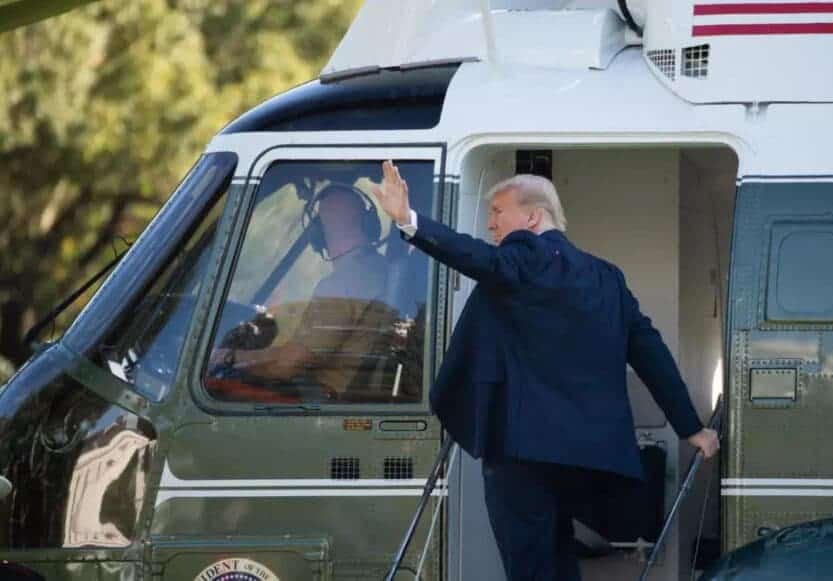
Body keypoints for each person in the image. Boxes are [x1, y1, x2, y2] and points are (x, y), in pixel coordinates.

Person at [372, 160, 720, 581]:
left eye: (498, 212)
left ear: (533, 217)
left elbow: (477, 257)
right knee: (558, 558)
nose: (490, 223)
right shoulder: (607, 278)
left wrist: (408, 219)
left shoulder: (522, 258)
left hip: (521, 454)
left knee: (530, 567)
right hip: (585, 458)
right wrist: (690, 428)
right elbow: (651, 354)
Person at [208, 183, 399, 401]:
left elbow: (290, 364)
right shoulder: (381, 270)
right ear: (369, 224)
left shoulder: (342, 284)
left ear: (318, 232)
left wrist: (229, 357)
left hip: (322, 401)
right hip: (349, 396)